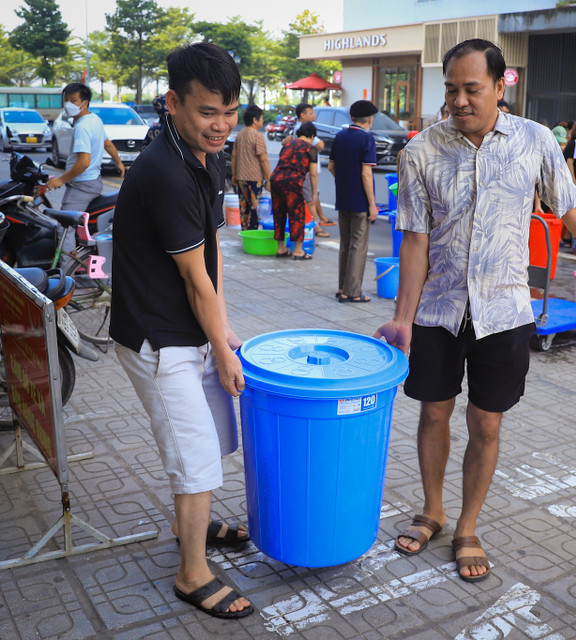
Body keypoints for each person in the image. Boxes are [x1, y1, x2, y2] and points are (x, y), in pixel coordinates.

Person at [378, 38, 576, 583]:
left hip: (504, 310)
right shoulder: (421, 151)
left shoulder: (535, 141)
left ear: (500, 86)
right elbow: (414, 240)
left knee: (486, 422)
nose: (459, 100)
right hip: (438, 309)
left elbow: (574, 210)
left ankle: (467, 526)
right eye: (451, 89)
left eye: (471, 89)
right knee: (433, 412)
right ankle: (432, 510)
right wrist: (403, 317)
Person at [109, 42, 253, 620]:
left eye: (230, 112)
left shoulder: (205, 153)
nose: (221, 125)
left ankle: (188, 523)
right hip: (157, 338)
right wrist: (221, 348)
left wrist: (223, 329)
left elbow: (211, 246)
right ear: (173, 103)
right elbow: (195, 279)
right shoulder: (164, 171)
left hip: (191, 327)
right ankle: (192, 572)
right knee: (194, 454)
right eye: (207, 112)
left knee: (210, 438)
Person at [328, 100, 379, 303]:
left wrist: (345, 181)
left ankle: (342, 287)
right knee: (358, 246)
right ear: (370, 119)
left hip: (343, 198)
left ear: (351, 117)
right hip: (360, 201)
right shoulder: (367, 139)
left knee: (346, 244)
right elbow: (366, 173)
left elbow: (331, 166)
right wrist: (372, 204)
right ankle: (352, 292)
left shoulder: (340, 136)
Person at [46, 82, 126, 210]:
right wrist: (118, 163)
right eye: (66, 100)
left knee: (66, 221)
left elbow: (84, 162)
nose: (68, 104)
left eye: (73, 100)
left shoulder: (81, 127)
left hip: (82, 185)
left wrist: (61, 180)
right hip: (94, 180)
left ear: (85, 103)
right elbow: (108, 144)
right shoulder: (95, 119)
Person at [269, 122, 317, 260]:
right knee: (296, 214)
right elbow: (313, 174)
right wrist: (314, 193)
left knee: (279, 213)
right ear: (312, 136)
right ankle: (297, 251)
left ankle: (281, 249)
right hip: (293, 182)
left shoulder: (287, 145)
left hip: (276, 180)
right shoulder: (310, 148)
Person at [283, 103, 333, 233]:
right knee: (310, 199)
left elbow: (285, 143)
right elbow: (320, 145)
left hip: (294, 173)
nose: (313, 115)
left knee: (312, 196)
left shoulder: (297, 133)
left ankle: (320, 218)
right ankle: (315, 228)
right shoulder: (305, 133)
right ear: (302, 115)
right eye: (311, 113)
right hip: (307, 170)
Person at [231, 105, 271, 230]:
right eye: (261, 118)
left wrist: (234, 174)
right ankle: (253, 232)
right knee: (255, 208)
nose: (262, 121)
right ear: (255, 119)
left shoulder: (240, 135)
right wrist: (269, 179)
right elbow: (263, 159)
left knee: (244, 207)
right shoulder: (258, 136)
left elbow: (234, 156)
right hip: (255, 178)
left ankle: (244, 231)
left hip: (241, 177)